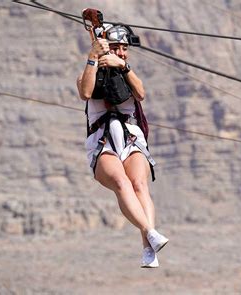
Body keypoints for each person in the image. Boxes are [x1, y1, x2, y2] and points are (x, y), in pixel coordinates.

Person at [76, 25, 168, 268]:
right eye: (117, 48)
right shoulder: (90, 72)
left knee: (139, 184)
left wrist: (123, 66)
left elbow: (140, 93)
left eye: (125, 49)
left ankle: (149, 249)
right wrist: (93, 57)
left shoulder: (128, 72)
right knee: (121, 182)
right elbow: (85, 92)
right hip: (102, 142)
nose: (122, 53)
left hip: (130, 138)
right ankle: (150, 233)